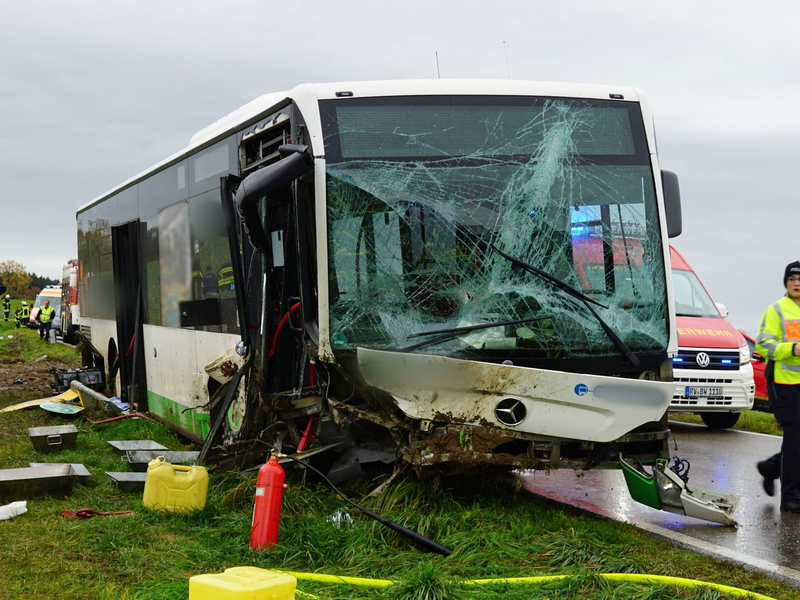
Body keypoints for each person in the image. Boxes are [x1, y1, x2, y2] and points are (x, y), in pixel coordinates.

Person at [756, 260, 800, 512]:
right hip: (782, 382)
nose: (796, 283)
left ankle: (770, 467)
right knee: (795, 436)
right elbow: (762, 343)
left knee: (798, 439)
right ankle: (791, 496)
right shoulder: (777, 310)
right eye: (792, 279)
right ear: (786, 282)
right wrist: (791, 348)